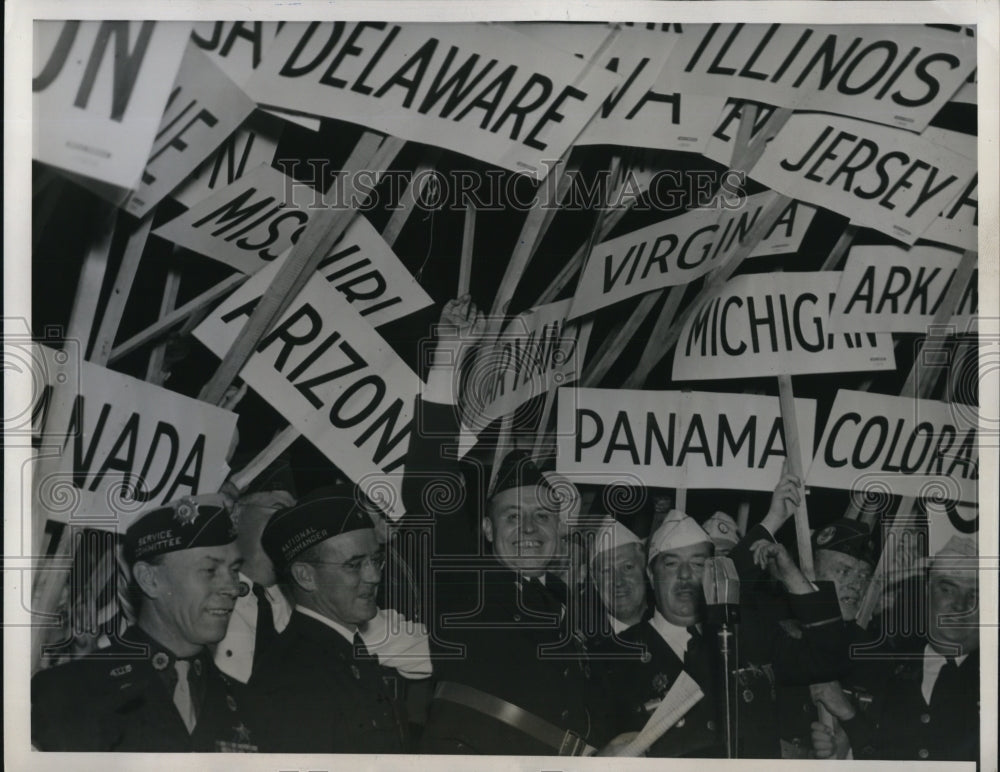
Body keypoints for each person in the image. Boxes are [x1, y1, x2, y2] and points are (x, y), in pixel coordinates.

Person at [400, 296, 616, 756]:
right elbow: (426, 487)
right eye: (512, 516)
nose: (530, 528)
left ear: (560, 531)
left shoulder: (566, 604)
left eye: (542, 515)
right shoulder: (464, 583)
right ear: (484, 529)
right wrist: (449, 356)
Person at [603, 469, 848, 758]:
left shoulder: (746, 633)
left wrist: (791, 575)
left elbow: (827, 659)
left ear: (712, 572)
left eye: (697, 564)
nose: (685, 577)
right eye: (670, 565)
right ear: (649, 574)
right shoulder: (615, 656)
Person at [32, 495, 258, 752]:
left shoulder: (250, 704)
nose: (232, 587)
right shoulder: (68, 693)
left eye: (234, 570)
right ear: (150, 580)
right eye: (210, 570)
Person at [246, 487, 414, 753]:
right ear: (305, 576)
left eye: (376, 560)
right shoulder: (293, 677)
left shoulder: (345, 653)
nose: (374, 576)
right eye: (354, 565)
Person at [810, 534, 979, 762]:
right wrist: (841, 753)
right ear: (927, 593)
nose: (960, 605)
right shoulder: (886, 668)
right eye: (947, 589)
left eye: (975, 595)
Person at [775, 517, 877, 756]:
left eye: (864, 576)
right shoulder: (778, 639)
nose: (856, 585)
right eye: (844, 571)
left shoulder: (874, 655)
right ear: (808, 572)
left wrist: (849, 742)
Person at [213, 490, 296, 683]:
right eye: (279, 509)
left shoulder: (307, 604)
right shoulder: (202, 596)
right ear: (235, 515)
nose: (293, 522)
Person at [588, 517, 650, 636]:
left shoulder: (675, 630)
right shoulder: (583, 645)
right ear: (595, 582)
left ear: (646, 571)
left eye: (627, 567)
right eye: (606, 571)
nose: (618, 581)